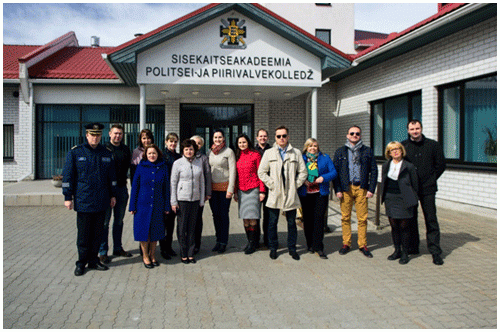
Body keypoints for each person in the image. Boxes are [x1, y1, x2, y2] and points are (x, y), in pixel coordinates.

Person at [62, 122, 117, 276]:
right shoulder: (76, 152)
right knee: (84, 235)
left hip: (101, 200)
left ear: (101, 136)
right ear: (87, 135)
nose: (95, 138)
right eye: (92, 135)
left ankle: (93, 261)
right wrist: (68, 196)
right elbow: (68, 176)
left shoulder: (106, 153)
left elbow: (111, 177)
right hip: (84, 200)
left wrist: (113, 195)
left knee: (97, 234)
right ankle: (81, 263)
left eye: (97, 135)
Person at [258, 126, 307, 261]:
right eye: (279, 136)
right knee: (272, 222)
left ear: (288, 137)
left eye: (284, 136)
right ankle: (273, 248)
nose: (281, 138)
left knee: (291, 223)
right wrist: (272, 185)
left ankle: (292, 249)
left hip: (291, 194)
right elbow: (261, 172)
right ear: (275, 138)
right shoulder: (269, 153)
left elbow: (303, 172)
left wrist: (295, 185)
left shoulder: (295, 153)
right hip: (275, 193)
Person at [402, 119, 446, 265]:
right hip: (410, 189)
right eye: (412, 129)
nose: (415, 131)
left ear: (421, 128)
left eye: (417, 128)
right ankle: (413, 247)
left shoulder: (433, 145)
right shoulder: (403, 146)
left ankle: (435, 251)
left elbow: (440, 165)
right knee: (411, 219)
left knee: (431, 219)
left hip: (428, 188)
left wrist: (431, 179)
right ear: (408, 130)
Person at [333, 125, 378, 258]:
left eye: (357, 133)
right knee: (345, 217)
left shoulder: (367, 151)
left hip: (361, 188)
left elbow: (374, 171)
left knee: (362, 218)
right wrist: (338, 189)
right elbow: (335, 172)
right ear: (347, 135)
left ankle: (362, 244)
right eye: (351, 133)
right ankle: (346, 243)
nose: (354, 135)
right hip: (346, 188)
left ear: (360, 136)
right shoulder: (340, 151)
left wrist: (371, 188)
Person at [129, 144, 171, 269]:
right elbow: (135, 187)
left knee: (156, 231)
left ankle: (153, 255)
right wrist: (132, 206)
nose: (152, 155)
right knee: (144, 232)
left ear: (158, 154)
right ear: (145, 155)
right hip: (142, 205)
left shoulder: (163, 167)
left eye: (154, 153)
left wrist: (166, 206)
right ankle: (145, 256)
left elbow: (166, 188)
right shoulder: (141, 167)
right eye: (149, 153)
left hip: (158, 205)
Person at [380, 142, 419, 265]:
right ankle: (397, 250)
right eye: (392, 150)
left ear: (402, 151)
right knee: (394, 226)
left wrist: (413, 199)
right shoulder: (386, 165)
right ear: (389, 153)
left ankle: (405, 253)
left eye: (397, 149)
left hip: (404, 199)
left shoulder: (409, 166)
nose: (395, 151)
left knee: (404, 227)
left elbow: (415, 185)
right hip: (390, 198)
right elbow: (384, 181)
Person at [298, 138, 337, 259]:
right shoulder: (302, 158)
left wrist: (323, 178)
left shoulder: (324, 158)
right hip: (306, 194)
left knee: (319, 220)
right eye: (310, 146)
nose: (313, 148)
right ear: (306, 147)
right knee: (308, 220)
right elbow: (295, 172)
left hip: (320, 193)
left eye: (315, 146)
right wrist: (302, 180)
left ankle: (319, 247)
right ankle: (310, 244)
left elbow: (334, 172)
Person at [98, 124, 132, 264]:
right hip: (106, 190)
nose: (118, 136)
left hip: (122, 188)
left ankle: (118, 248)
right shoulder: (104, 149)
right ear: (110, 134)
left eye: (120, 134)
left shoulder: (125, 149)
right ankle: (103, 251)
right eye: (115, 133)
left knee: (118, 221)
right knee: (105, 222)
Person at [170, 139, 206, 264]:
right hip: (182, 200)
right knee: (182, 227)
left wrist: (201, 200)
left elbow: (202, 182)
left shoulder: (198, 163)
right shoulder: (177, 163)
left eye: (191, 149)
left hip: (195, 200)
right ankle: (183, 252)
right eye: (186, 149)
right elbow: (173, 183)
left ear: (194, 150)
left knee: (192, 228)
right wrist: (173, 202)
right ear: (183, 151)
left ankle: (190, 253)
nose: (189, 151)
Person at [234, 134, 266, 255]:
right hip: (241, 190)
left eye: (244, 142)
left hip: (253, 189)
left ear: (248, 142)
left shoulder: (256, 155)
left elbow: (261, 174)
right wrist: (236, 192)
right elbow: (236, 176)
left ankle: (254, 243)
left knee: (253, 217)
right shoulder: (237, 156)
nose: (242, 145)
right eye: (240, 143)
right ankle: (249, 241)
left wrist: (262, 191)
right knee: (245, 218)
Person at [208, 129, 236, 254]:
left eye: (220, 137)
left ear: (224, 138)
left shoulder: (229, 152)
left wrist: (230, 189)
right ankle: (218, 240)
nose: (217, 139)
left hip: (225, 189)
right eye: (215, 137)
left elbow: (233, 171)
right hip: (213, 189)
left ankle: (224, 242)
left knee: (224, 215)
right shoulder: (211, 152)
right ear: (213, 139)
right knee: (215, 215)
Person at [159, 133, 181, 260]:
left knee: (171, 222)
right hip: (165, 192)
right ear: (166, 142)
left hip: (176, 192)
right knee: (165, 222)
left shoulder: (178, 156)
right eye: (170, 141)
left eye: (175, 142)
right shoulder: (162, 156)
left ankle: (169, 246)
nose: (173, 144)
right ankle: (163, 248)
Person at [190, 135, 212, 255]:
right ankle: (187, 244)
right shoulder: (185, 155)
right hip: (186, 196)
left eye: (199, 144)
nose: (196, 145)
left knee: (197, 220)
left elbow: (208, 175)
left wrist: (207, 193)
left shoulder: (203, 158)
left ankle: (196, 245)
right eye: (194, 142)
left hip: (199, 195)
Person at [255, 128, 271, 248]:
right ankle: (255, 240)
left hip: (270, 187)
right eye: (260, 136)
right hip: (256, 187)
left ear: (268, 138)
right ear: (257, 138)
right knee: (255, 215)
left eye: (264, 136)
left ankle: (268, 240)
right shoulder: (253, 151)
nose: (262, 138)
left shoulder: (272, 150)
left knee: (268, 215)